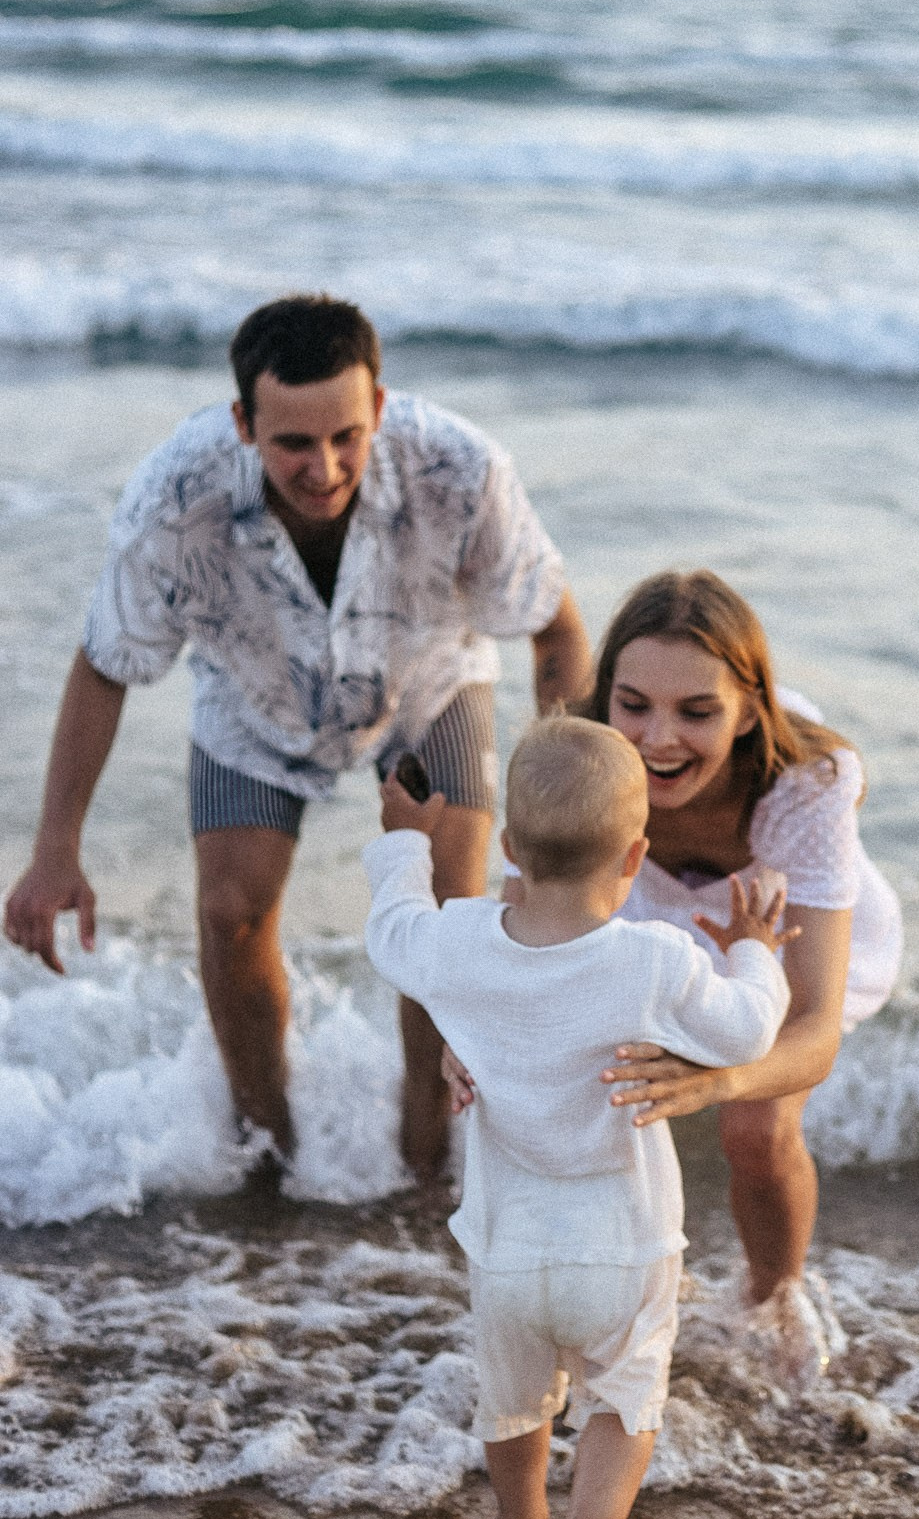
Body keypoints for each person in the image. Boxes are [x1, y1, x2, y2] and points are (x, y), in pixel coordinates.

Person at [2, 295, 590, 1176]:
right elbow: (105, 664)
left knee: (445, 911)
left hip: (426, 685)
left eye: (346, 436)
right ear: (243, 422)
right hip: (254, 697)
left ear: (379, 408)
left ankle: (425, 1157)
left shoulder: (460, 468)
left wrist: (567, 812)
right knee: (232, 914)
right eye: (292, 443)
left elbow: (555, 626)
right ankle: (266, 1152)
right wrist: (56, 849)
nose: (324, 466)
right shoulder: (175, 498)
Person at [364, 716, 791, 1519]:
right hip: (624, 1243)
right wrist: (755, 944)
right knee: (624, 1395)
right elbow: (751, 1031)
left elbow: (392, 930)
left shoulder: (462, 942)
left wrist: (406, 837)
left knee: (512, 1397)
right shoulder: (653, 961)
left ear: (510, 847)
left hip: (509, 1249)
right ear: (636, 855)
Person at [454, 570, 902, 1315]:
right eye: (634, 706)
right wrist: (470, 1035)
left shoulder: (806, 783)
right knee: (575, 1092)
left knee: (755, 1126)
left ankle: (775, 1307)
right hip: (636, 911)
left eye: (697, 712)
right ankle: (599, 1299)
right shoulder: (575, 756)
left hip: (776, 922)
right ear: (607, 699)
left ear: (751, 711)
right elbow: (522, 940)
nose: (659, 740)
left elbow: (816, 1028)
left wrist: (719, 1079)